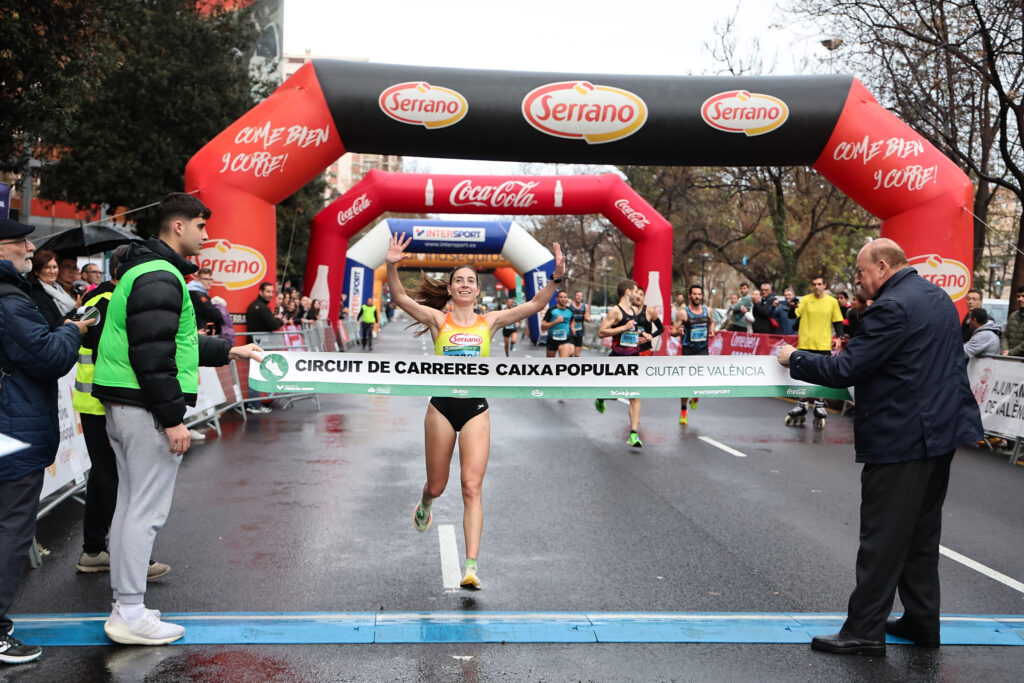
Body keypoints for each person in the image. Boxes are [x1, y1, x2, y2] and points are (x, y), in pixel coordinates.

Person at [777, 238, 983, 657]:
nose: (857, 280)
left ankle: (864, 632)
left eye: (860, 272)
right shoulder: (938, 297)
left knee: (883, 538)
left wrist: (793, 357)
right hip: (940, 435)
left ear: (884, 266)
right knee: (920, 536)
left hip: (902, 436)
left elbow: (845, 370)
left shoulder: (890, 307)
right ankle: (922, 621)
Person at [92, 193, 263, 646]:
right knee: (143, 511)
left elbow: (174, 343)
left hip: (128, 404)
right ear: (178, 227)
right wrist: (172, 419)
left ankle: (126, 606)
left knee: (132, 507)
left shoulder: (151, 271)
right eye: (201, 227)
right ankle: (129, 611)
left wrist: (230, 349)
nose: (207, 236)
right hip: (144, 409)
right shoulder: (160, 275)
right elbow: (152, 354)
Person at [385, 232, 565, 590]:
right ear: (451, 290)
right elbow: (400, 296)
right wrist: (392, 265)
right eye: (459, 281)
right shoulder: (439, 320)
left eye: (471, 281)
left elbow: (533, 305)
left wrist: (556, 277)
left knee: (471, 486)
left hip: (475, 409)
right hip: (441, 408)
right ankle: (425, 502)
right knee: (438, 486)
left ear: (477, 291)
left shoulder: (490, 321)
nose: (465, 285)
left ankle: (471, 566)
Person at [0, 216, 89, 665]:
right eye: (18, 241)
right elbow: (49, 356)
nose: (28, 248)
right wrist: (73, 330)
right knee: (11, 530)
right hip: (11, 432)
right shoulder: (8, 300)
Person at [72, 246, 173, 578]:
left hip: (101, 403)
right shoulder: (104, 303)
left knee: (106, 480)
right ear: (123, 272)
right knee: (119, 483)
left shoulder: (102, 301)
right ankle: (129, 561)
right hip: (104, 404)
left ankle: (93, 551)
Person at [784, 276, 843, 429]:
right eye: (814, 284)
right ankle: (802, 403)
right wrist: (792, 306)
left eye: (819, 284)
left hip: (823, 344)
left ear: (825, 285)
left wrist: (840, 337)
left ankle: (819, 404)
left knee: (822, 376)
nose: (816, 287)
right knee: (802, 376)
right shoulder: (805, 299)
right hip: (805, 342)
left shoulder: (832, 302)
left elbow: (837, 321)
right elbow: (793, 315)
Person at [594, 279, 644, 447]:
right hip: (617, 358)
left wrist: (642, 337)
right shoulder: (615, 311)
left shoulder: (635, 311)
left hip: (633, 357)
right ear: (628, 292)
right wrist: (623, 328)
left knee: (635, 397)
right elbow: (602, 332)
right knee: (614, 395)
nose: (638, 294)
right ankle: (601, 397)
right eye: (636, 291)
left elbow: (632, 332)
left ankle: (634, 434)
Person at [673, 284, 716, 425]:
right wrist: (678, 332)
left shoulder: (707, 310)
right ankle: (683, 411)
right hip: (688, 350)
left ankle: (696, 396)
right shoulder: (683, 313)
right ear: (690, 296)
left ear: (702, 296)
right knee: (686, 382)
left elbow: (712, 322)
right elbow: (672, 331)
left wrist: (712, 330)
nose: (697, 296)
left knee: (702, 378)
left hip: (703, 349)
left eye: (699, 294)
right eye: (694, 294)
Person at [245, 281, 283, 414]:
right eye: (267, 291)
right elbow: (273, 325)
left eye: (272, 292)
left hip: (257, 346)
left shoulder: (257, 306)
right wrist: (280, 320)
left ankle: (254, 404)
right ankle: (254, 405)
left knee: (258, 375)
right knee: (257, 376)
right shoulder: (261, 307)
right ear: (260, 292)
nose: (270, 294)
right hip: (259, 347)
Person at [26, 249, 67, 330]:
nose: (52, 271)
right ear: (37, 271)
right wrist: (75, 310)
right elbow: (51, 325)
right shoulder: (36, 293)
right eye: (47, 267)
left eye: (55, 267)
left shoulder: (60, 288)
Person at [187, 267, 221, 338]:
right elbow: (214, 314)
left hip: (200, 333)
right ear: (198, 279)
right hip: (199, 335)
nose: (209, 282)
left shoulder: (200, 292)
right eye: (206, 279)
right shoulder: (196, 293)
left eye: (211, 279)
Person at [542, 290, 576, 358]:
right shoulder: (551, 310)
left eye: (565, 297)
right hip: (552, 338)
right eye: (561, 297)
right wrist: (555, 322)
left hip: (565, 337)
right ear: (557, 298)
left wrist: (572, 327)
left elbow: (572, 320)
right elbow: (543, 326)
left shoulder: (570, 310)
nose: (563, 299)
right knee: (551, 363)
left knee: (563, 361)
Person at [632, 286, 664, 356]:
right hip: (629, 348)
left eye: (641, 295)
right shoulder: (627, 310)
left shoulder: (650, 311)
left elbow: (661, 328)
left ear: (644, 297)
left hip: (644, 350)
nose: (638, 297)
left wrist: (650, 336)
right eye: (636, 294)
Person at [1000, 286, 1024, 357]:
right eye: (1018, 296)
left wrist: (1010, 353)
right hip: (1010, 359)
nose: (1020, 299)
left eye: (1023, 296)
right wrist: (1005, 350)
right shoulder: (1013, 315)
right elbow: (1005, 335)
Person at [569, 290, 590, 357]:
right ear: (575, 296)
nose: (579, 297)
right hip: (570, 331)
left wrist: (588, 318)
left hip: (580, 331)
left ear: (582, 297)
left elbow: (587, 317)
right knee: (570, 352)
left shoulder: (585, 306)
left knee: (577, 354)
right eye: (577, 295)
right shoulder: (570, 305)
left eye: (581, 296)